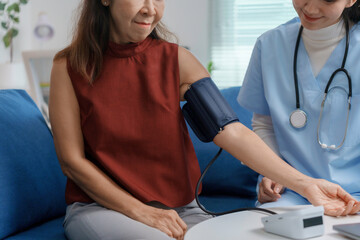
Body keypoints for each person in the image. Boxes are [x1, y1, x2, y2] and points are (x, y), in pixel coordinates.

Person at [49, 0, 360, 239]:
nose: (151, 10)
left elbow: (231, 131)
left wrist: (307, 185)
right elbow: (71, 162)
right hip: (101, 208)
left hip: (181, 209)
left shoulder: (177, 61)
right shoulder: (69, 67)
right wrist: (143, 213)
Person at [238, 0, 360, 210]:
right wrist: (274, 172)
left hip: (353, 193)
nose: (310, 8)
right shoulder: (269, 45)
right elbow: (264, 125)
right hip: (289, 190)